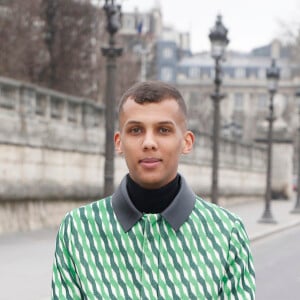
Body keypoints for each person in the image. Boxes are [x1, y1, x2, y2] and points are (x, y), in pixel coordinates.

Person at [51, 81, 255, 299]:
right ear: (119, 142)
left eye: (163, 130)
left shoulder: (227, 233)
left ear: (186, 142)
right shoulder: (78, 230)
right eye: (136, 130)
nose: (149, 143)